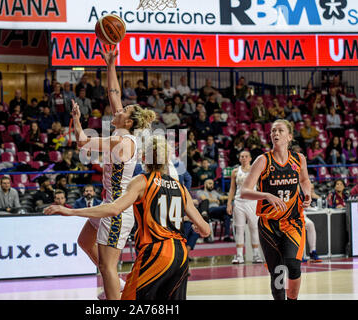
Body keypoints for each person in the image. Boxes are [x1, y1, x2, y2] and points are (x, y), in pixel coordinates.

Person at [44, 135, 211, 300]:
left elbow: (114, 208)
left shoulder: (142, 181)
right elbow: (205, 229)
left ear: (144, 158)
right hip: (180, 256)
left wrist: (71, 212)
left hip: (155, 253)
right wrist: (197, 227)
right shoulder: (181, 188)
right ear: (167, 159)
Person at [68, 47, 155, 300]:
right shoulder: (122, 131)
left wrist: (76, 119)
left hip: (117, 210)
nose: (117, 110)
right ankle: (116, 284)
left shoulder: (122, 142)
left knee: (106, 266)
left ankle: (115, 295)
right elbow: (113, 93)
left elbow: (83, 141)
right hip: (108, 203)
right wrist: (110, 64)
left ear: (128, 121)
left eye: (122, 111)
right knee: (85, 242)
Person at [241, 119, 311, 300]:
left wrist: (308, 193)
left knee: (293, 265)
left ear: (289, 136)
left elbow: (304, 180)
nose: (275, 134)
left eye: (280, 130)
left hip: (293, 222)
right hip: (269, 225)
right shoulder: (263, 160)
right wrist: (266, 195)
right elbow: (244, 191)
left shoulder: (299, 159)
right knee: (278, 272)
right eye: (273, 131)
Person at [226, 151, 263, 264]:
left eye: (246, 156)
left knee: (254, 228)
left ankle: (256, 255)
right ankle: (239, 255)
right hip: (239, 202)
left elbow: (260, 186)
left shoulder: (255, 170)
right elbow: (232, 189)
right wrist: (229, 203)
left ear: (251, 158)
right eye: (242, 156)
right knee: (239, 228)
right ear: (239, 158)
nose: (244, 158)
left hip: (252, 202)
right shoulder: (235, 171)